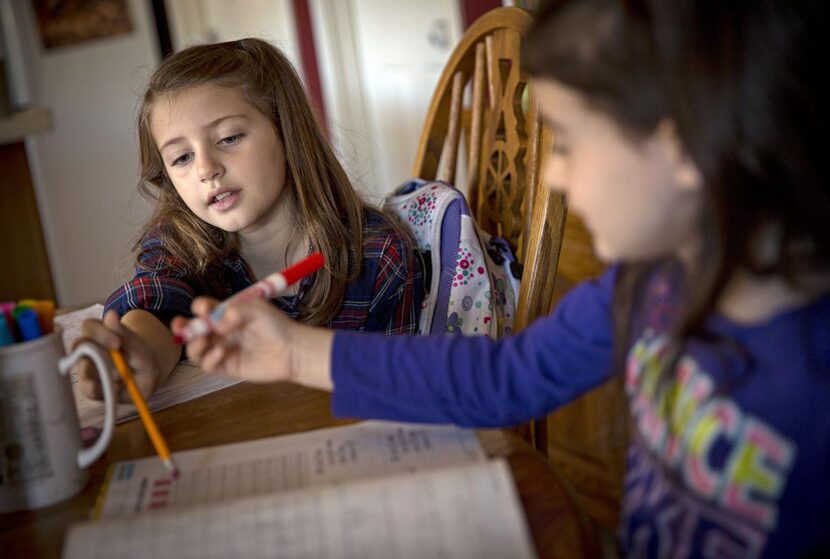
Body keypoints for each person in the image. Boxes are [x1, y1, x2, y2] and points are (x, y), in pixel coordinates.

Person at [175, 1, 828, 556]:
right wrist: (291, 349)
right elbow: (507, 377)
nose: (555, 176)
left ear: (680, 146)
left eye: (567, 143)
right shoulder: (649, 282)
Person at [77, 38, 422, 401]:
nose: (207, 169)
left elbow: (401, 386)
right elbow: (155, 303)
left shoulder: (377, 255)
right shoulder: (176, 243)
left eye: (228, 138)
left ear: (286, 132)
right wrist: (140, 350)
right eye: (182, 158)